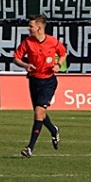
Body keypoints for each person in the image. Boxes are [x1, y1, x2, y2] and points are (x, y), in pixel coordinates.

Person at [12, 14, 66, 158]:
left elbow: (63, 53)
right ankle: (54, 130)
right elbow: (16, 58)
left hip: (49, 81)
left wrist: (58, 65)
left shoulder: (53, 41)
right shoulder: (28, 42)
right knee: (40, 113)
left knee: (38, 112)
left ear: (39, 28)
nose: (29, 28)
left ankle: (30, 148)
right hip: (34, 81)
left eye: (31, 26)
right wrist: (25, 65)